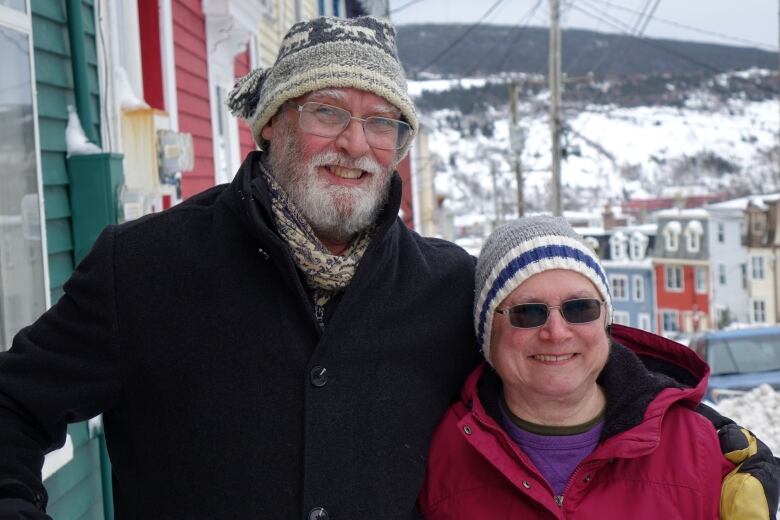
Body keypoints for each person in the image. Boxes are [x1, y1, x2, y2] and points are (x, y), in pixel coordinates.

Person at [0, 15, 775, 520]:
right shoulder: (146, 270)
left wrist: (722, 440)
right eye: (328, 111)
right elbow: (14, 404)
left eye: (382, 124)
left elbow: (564, 352)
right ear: (271, 124)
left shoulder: (443, 288)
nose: (356, 144)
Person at [418, 215, 777, 519]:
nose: (556, 333)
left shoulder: (697, 449)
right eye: (527, 312)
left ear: (606, 322)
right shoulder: (435, 456)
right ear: (488, 333)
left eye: (580, 309)